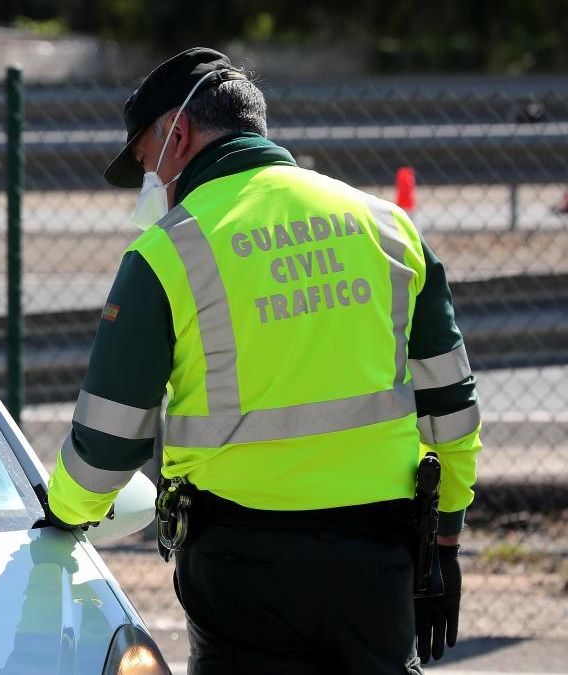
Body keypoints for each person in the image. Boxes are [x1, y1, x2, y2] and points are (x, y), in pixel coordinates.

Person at [45, 47, 482, 674]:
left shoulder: (167, 254)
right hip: (377, 560)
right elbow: (452, 406)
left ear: (179, 134)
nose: (151, 183)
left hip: (241, 572)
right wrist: (445, 539)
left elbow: (109, 440)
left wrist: (65, 512)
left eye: (146, 162)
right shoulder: (387, 227)